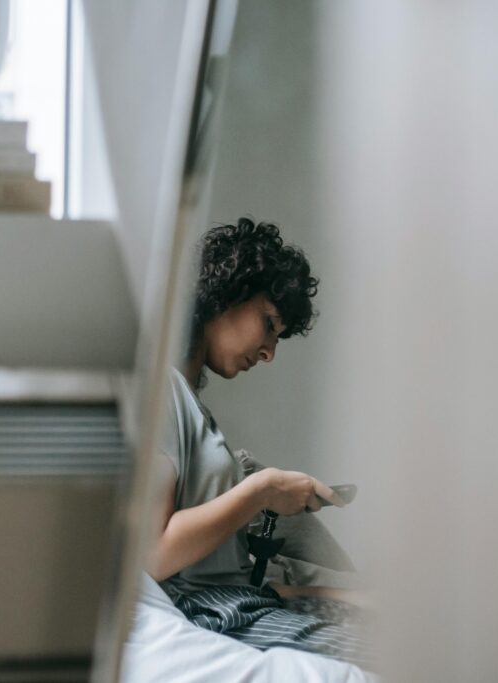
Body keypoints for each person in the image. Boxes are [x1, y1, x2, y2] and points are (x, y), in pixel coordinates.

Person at [148, 217, 374, 669]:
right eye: (268, 324)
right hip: (218, 612)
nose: (270, 351)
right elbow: (154, 554)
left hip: (245, 600)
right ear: (226, 293)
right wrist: (262, 490)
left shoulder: (191, 402)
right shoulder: (163, 390)